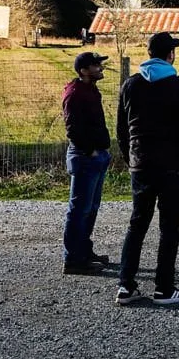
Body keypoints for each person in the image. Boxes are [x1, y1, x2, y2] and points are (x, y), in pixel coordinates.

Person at [114, 32, 179, 306]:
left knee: (137, 224)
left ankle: (125, 286)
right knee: (168, 228)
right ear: (170, 55)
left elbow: (121, 130)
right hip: (173, 167)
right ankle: (164, 288)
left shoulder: (130, 85)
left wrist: (131, 160)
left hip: (141, 165)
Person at [61, 51, 112, 275]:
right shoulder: (75, 93)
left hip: (95, 155)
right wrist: (89, 150)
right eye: (96, 65)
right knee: (79, 209)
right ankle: (73, 258)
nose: (100, 68)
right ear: (83, 70)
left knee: (90, 208)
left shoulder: (90, 90)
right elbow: (72, 128)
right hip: (85, 157)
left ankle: (84, 251)